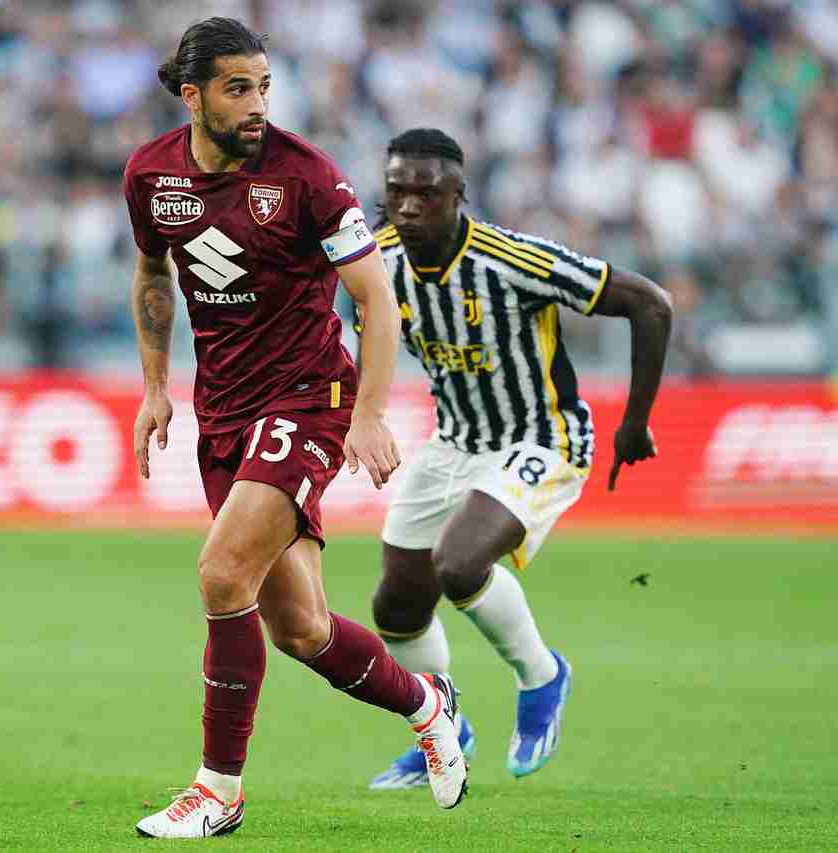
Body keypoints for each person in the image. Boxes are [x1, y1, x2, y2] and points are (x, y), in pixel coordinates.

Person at [122, 20, 467, 839]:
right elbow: (151, 272)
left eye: (266, 86)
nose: (258, 106)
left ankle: (218, 790)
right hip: (223, 411)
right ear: (193, 93)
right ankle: (427, 702)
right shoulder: (150, 174)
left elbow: (375, 299)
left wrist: (369, 413)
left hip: (309, 396)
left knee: (219, 574)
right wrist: (153, 388)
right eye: (239, 89)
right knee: (300, 626)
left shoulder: (308, 175)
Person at [358, 129, 671, 789]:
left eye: (427, 192)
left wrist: (635, 421)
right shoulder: (376, 263)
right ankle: (444, 727)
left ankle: (542, 676)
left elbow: (650, 303)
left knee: (459, 562)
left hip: (542, 435)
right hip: (455, 442)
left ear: (457, 196)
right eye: (398, 192)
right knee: (396, 607)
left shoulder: (511, 259)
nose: (410, 206)